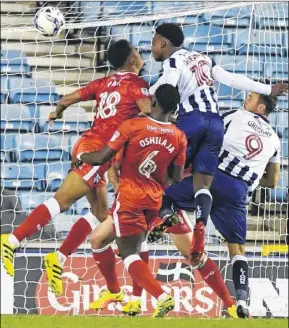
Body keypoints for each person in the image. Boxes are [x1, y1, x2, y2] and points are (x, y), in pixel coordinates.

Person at [0, 39, 151, 297]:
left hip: (92, 147)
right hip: (98, 152)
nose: (139, 52)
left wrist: (58, 110)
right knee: (63, 200)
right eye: (137, 50)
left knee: (101, 213)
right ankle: (11, 241)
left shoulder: (104, 82)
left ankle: (57, 259)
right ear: (132, 59)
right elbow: (148, 115)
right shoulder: (137, 85)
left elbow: (69, 97)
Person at [149, 23, 288, 266]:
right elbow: (233, 79)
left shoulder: (173, 62)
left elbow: (166, 87)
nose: (153, 47)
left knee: (156, 173)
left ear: (162, 42)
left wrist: (143, 97)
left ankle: (160, 218)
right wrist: (269, 89)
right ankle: (199, 229)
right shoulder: (205, 59)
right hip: (214, 123)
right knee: (202, 181)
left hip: (191, 119)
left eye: (153, 42)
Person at [150, 92, 283, 318]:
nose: (244, 100)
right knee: (237, 249)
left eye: (250, 98)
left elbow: (208, 133)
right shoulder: (275, 140)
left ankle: (167, 216)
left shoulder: (236, 115)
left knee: (164, 194)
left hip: (211, 177)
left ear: (260, 107)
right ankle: (242, 300)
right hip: (238, 191)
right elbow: (272, 181)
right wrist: (248, 170)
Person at [72, 84, 187, 318]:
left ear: (153, 102)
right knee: (101, 240)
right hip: (153, 200)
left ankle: (161, 296)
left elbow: (101, 157)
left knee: (128, 253)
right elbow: (176, 177)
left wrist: (80, 155)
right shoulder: (179, 135)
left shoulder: (132, 126)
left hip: (129, 198)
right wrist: (155, 182)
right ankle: (130, 298)